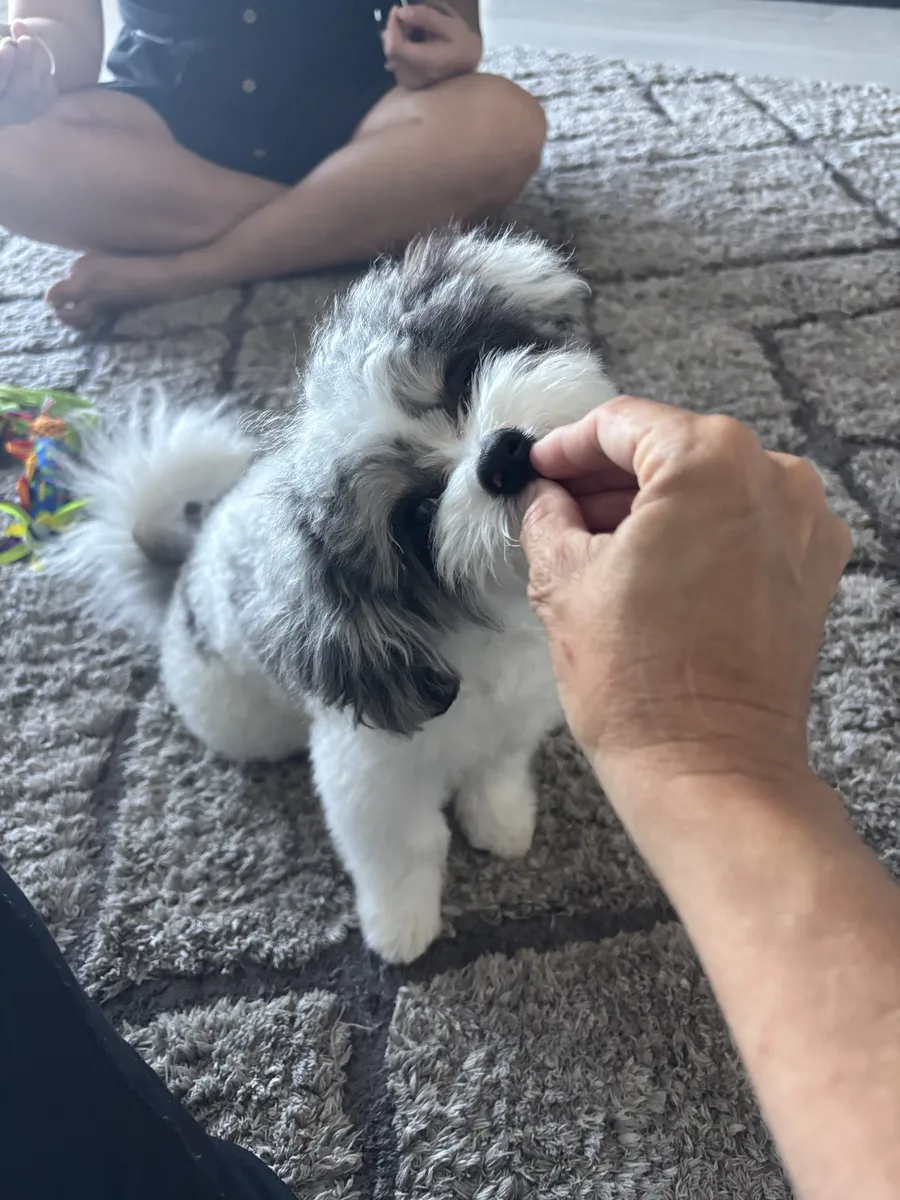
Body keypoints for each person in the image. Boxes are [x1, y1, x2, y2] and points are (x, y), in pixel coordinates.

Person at [3, 397, 899, 1200]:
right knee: (305, 747)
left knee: (504, 725)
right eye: (422, 507)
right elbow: (363, 773)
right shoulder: (357, 632)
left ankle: (489, 771)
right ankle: (405, 867)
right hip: (254, 679)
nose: (492, 447)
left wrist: (509, 765)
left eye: (465, 396)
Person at [0, 0, 546, 328]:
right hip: (164, 130)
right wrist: (30, 68)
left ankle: (186, 270)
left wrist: (451, 43)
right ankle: (352, 218)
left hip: (361, 113)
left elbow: (448, 15)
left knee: (501, 125)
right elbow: (52, 22)